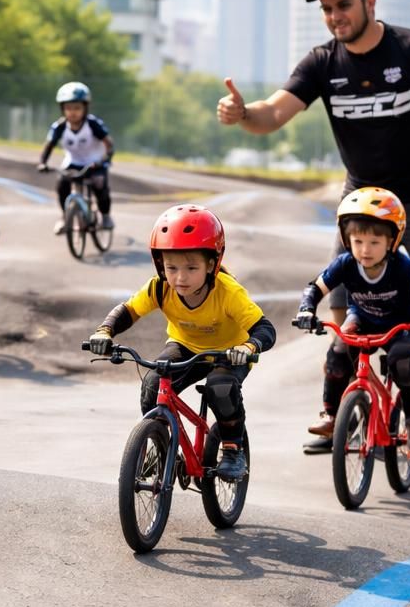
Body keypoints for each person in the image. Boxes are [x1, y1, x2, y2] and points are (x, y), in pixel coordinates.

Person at [216, 0, 410, 468]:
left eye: (344, 6)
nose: (335, 17)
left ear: (370, 4)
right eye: (327, 9)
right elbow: (273, 113)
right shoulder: (321, 63)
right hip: (363, 203)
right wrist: (243, 114)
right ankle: (347, 409)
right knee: (338, 300)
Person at [87, 204, 275, 481]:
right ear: (160, 264)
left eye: (191, 267)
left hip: (228, 353)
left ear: (211, 264)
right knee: (152, 384)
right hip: (184, 346)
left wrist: (248, 348)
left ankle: (234, 450)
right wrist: (105, 331)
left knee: (220, 388)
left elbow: (265, 328)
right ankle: (161, 443)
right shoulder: (160, 287)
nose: (180, 277)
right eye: (171, 267)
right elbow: (129, 310)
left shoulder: (228, 292)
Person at [293, 187, 410, 450]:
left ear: (391, 241)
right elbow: (315, 288)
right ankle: (331, 417)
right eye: (358, 242)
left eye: (375, 243)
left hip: (401, 326)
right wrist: (306, 310)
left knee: (402, 362)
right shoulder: (344, 264)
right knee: (338, 353)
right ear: (347, 239)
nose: (365, 250)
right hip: (361, 319)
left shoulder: (402, 267)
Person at [38, 81, 115, 235]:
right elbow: (49, 146)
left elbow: (109, 144)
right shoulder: (59, 127)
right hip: (72, 162)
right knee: (62, 186)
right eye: (68, 108)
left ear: (85, 108)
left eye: (77, 108)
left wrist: (105, 159)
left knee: (100, 187)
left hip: (95, 163)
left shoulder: (93, 124)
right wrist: (42, 163)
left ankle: (105, 216)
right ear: (62, 109)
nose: (72, 112)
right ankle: (64, 217)